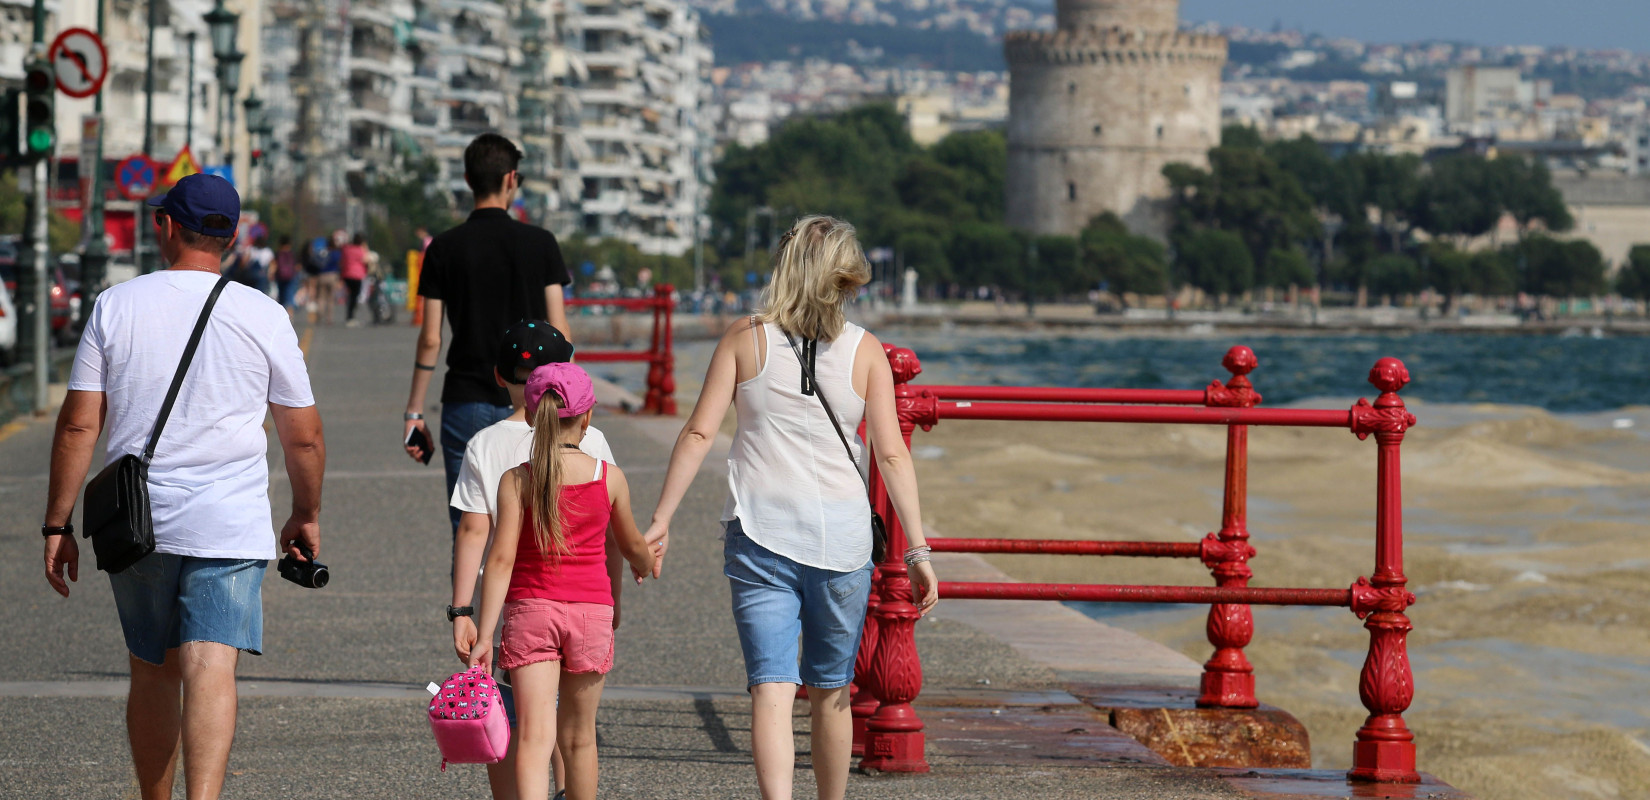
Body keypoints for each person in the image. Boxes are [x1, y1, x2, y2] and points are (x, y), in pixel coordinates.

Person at [40, 173, 325, 800]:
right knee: (211, 667)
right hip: (229, 523)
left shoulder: (115, 305)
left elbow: (78, 424)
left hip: (139, 525)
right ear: (230, 236)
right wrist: (305, 513)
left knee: (152, 672)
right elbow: (302, 437)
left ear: (166, 225)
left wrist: (58, 524)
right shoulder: (265, 314)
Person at [643, 215, 939, 800]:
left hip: (760, 533)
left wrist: (661, 519)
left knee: (771, 690)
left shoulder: (744, 338)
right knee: (831, 693)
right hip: (842, 543)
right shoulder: (865, 351)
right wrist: (920, 549)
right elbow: (893, 455)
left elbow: (700, 434)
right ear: (845, 281)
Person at [468, 363, 656, 800]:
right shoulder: (608, 478)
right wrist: (648, 562)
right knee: (579, 738)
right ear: (588, 418)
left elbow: (500, 560)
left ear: (533, 417)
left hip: (531, 612)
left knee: (535, 737)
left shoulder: (517, 479)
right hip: (592, 616)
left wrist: (485, 633)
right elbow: (630, 547)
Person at [450, 321, 616, 800]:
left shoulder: (485, 444)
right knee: (573, 724)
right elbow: (605, 528)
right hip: (587, 600)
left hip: (518, 603)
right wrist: (614, 600)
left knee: (527, 720)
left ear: (500, 377)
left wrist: (465, 612)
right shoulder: (594, 442)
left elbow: (475, 531)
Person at [403, 133, 572, 533]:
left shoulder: (443, 248)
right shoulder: (542, 243)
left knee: (470, 529)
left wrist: (414, 411)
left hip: (466, 398)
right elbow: (561, 331)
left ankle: (467, 598)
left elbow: (430, 338)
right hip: (536, 400)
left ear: (467, 179)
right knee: (533, 527)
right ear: (512, 178)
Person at [340, 233, 369, 327]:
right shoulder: (360, 250)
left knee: (350, 295)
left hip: (347, 275)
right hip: (357, 275)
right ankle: (351, 317)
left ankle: (349, 315)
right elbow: (366, 260)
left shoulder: (347, 249)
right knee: (355, 296)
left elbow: (343, 261)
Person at [316, 233, 343, 325]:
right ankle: (329, 318)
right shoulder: (337, 253)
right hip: (332, 275)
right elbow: (340, 265)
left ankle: (320, 314)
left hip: (322, 275)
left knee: (321, 297)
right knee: (331, 298)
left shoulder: (324, 253)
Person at [272, 235, 300, 316]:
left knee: (281, 297)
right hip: (291, 277)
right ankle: (290, 315)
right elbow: (297, 266)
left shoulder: (278, 253)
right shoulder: (292, 253)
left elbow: (274, 265)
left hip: (280, 277)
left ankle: (281, 315)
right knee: (290, 296)